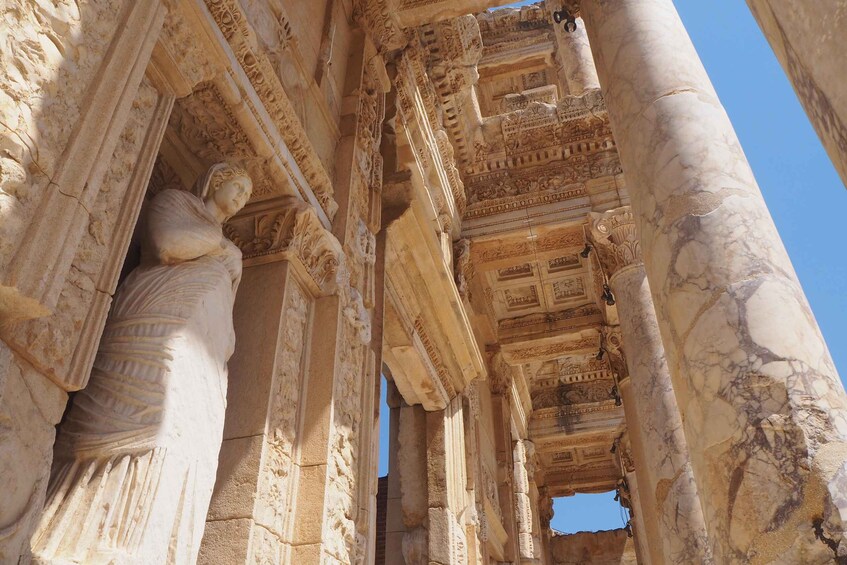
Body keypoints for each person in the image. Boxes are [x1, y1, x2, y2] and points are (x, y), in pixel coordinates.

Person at [32, 163, 252, 564]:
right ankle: (81, 538)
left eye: (247, 196)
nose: (241, 198)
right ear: (216, 181)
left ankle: (152, 549)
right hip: (154, 327)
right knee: (148, 422)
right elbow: (168, 245)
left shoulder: (228, 251)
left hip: (203, 354)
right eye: (238, 187)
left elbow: (226, 305)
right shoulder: (176, 203)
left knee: (189, 441)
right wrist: (222, 247)